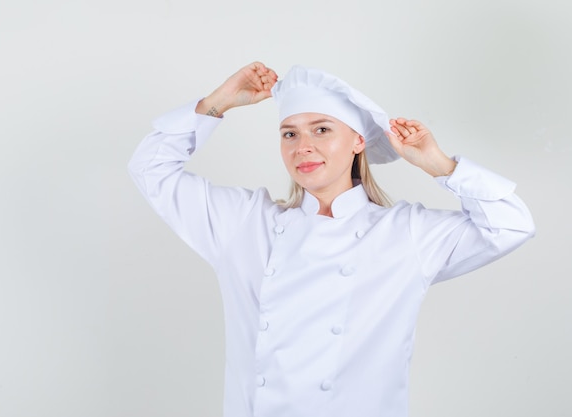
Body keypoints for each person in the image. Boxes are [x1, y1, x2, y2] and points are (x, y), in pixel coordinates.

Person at [128, 61, 535, 417]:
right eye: (289, 134)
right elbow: (150, 170)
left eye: (321, 129)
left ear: (359, 142)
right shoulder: (244, 225)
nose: (303, 146)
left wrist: (438, 164)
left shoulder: (404, 233)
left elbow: (511, 224)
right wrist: (216, 103)